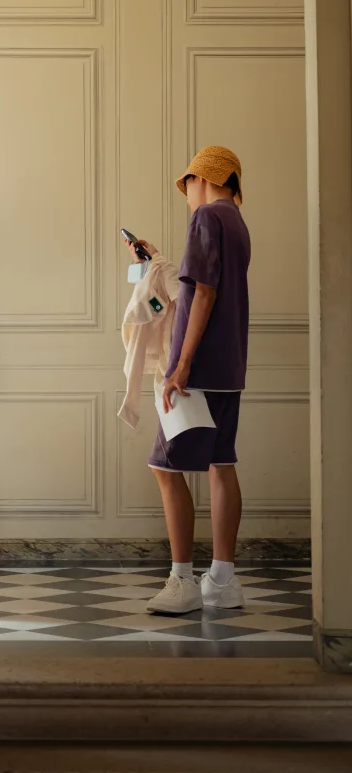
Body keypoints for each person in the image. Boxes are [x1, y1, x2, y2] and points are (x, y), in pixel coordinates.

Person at [128, 146, 251, 616]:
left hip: (197, 369)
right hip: (229, 366)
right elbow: (204, 286)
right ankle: (222, 580)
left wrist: (181, 365)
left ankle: (181, 580)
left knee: (166, 467)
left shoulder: (205, 218)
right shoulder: (236, 222)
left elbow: (203, 292)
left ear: (201, 178)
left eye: (188, 186)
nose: (187, 196)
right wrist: (158, 259)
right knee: (222, 464)